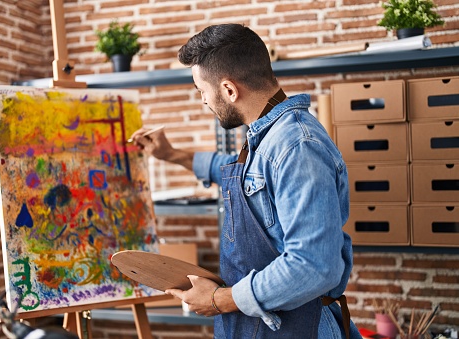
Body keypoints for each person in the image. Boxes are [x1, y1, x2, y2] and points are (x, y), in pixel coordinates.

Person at [130, 23, 362, 339]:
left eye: (201, 90)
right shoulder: (270, 138)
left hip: (299, 328)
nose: (203, 101)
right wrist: (174, 156)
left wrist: (218, 299)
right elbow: (244, 175)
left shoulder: (297, 147)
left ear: (229, 89)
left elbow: (314, 265)